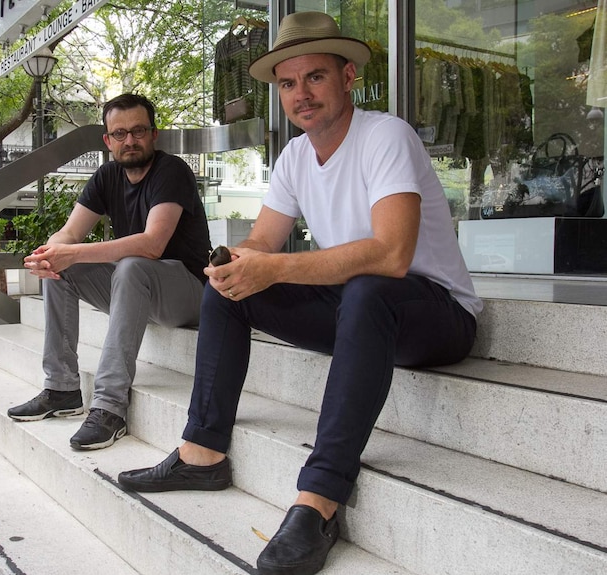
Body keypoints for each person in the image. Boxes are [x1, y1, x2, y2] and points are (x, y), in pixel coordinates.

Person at [117, 12, 482, 575]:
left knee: (367, 289)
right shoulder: (293, 157)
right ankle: (202, 452)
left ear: (348, 78)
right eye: (287, 84)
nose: (301, 94)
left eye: (314, 77)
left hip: (435, 313)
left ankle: (318, 499)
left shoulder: (385, 135)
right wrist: (234, 265)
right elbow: (263, 242)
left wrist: (275, 266)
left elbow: (392, 255)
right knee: (231, 289)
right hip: (358, 311)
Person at [7, 93, 212, 451]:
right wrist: (49, 254)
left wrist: (72, 252)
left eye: (138, 131)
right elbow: (70, 234)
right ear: (108, 140)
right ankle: (61, 388)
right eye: (119, 133)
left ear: (153, 134)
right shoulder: (107, 175)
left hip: (189, 292)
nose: (129, 140)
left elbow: (152, 244)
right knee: (62, 268)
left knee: (132, 264)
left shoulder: (172, 171)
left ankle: (109, 407)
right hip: (137, 288)